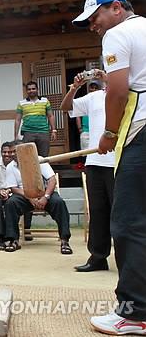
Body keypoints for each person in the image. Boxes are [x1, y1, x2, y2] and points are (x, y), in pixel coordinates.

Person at [73, 0, 146, 333]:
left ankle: (134, 313)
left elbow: (117, 91)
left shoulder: (118, 34)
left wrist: (111, 133)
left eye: (95, 17)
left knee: (129, 223)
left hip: (141, 131)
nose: (94, 26)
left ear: (116, 8)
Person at [61, 70, 114, 272]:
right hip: (94, 162)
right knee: (98, 212)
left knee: (122, 213)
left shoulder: (128, 94)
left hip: (119, 162)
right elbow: (66, 107)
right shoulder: (94, 97)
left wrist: (108, 79)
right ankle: (98, 257)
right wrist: (74, 88)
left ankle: (129, 258)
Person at [3, 142, 72, 254]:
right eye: (11, 152)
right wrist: (30, 197)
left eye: (15, 151)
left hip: (44, 193)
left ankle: (65, 241)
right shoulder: (11, 166)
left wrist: (45, 197)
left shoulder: (39, 160)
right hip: (25, 196)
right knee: (11, 203)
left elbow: (52, 180)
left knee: (59, 202)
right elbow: (14, 188)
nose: (12, 154)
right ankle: (13, 240)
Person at [14, 81, 57, 157]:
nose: (31, 91)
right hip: (28, 132)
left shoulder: (45, 101)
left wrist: (53, 130)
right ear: (26, 91)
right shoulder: (21, 103)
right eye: (29, 89)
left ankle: (43, 169)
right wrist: (16, 135)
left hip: (43, 132)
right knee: (28, 156)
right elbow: (17, 120)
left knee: (44, 156)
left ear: (37, 90)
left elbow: (50, 116)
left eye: (33, 88)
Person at [76, 81, 101, 150]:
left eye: (96, 88)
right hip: (85, 131)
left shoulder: (102, 100)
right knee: (86, 154)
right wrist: (80, 128)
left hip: (98, 131)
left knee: (98, 152)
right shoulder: (85, 99)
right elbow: (77, 115)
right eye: (92, 87)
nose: (93, 89)